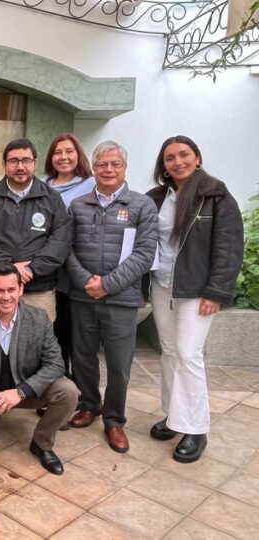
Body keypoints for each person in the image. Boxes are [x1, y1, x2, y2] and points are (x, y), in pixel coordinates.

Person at [146, 135, 243, 463]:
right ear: (164, 165)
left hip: (196, 291)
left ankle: (195, 429)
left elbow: (230, 246)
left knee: (189, 354)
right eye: (170, 157)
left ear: (197, 158)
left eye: (184, 155)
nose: (178, 162)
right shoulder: (158, 197)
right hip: (162, 285)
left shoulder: (215, 195)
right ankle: (174, 416)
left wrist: (217, 291)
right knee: (170, 351)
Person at [65, 140, 158, 453]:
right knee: (83, 356)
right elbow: (67, 249)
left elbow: (145, 254)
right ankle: (88, 404)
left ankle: (114, 419)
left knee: (119, 364)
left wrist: (108, 284)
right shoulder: (78, 206)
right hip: (83, 296)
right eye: (102, 164)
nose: (108, 169)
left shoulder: (142, 205)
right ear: (93, 169)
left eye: (115, 164)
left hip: (121, 299)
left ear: (124, 168)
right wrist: (85, 281)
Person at [0, 263, 78, 475]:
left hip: (29, 390)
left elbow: (56, 363)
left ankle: (41, 443)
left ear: (20, 289)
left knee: (69, 391)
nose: (6, 297)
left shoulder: (39, 318)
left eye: (11, 289)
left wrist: (21, 392)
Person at [0, 138, 71, 322]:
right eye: (14, 161)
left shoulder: (52, 199)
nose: (20, 166)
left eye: (26, 160)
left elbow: (60, 241)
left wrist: (31, 269)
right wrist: (9, 268)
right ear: (4, 165)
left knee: (38, 338)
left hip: (39, 291)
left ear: (35, 163)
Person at [43, 134, 96, 372]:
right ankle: (59, 383)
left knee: (79, 337)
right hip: (48, 271)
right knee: (55, 335)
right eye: (58, 152)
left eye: (69, 151)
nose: (63, 157)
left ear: (79, 155)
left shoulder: (91, 185)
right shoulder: (42, 185)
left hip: (78, 271)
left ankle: (81, 387)